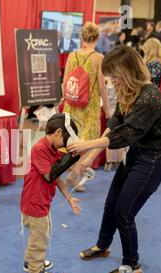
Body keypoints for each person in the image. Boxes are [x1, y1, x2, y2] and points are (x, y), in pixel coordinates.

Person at [68, 45, 161, 273]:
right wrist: (88, 157)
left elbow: (126, 134)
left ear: (127, 71)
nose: (111, 80)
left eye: (114, 75)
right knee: (111, 203)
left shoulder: (150, 96)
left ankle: (132, 265)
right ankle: (103, 245)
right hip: (136, 154)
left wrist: (85, 145)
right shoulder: (128, 92)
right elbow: (115, 124)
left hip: (153, 160)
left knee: (124, 212)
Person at [20, 113, 81, 273]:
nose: (65, 146)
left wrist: (69, 198)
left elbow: (57, 175)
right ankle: (35, 272)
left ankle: (30, 261)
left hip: (42, 201)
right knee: (40, 238)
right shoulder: (39, 149)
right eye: (66, 140)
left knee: (38, 234)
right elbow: (49, 176)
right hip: (35, 202)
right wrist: (72, 157)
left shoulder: (51, 149)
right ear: (59, 133)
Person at [62, 22, 111, 191]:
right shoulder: (98, 58)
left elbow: (65, 81)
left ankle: (74, 172)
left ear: (82, 37)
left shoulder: (71, 56)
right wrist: (107, 108)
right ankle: (76, 172)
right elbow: (102, 86)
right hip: (89, 107)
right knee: (91, 142)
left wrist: (67, 100)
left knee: (74, 139)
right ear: (97, 38)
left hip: (71, 104)